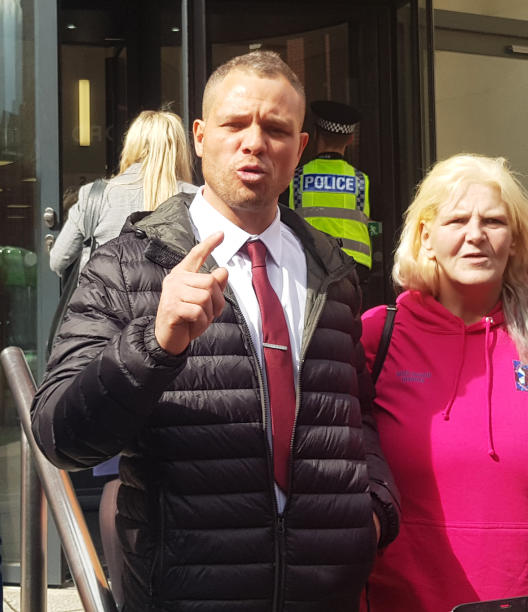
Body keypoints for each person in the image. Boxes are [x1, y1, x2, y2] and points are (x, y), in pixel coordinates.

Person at [31, 50, 399, 611]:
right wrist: (153, 343)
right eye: (234, 124)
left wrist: (372, 511)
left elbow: (357, 414)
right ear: (200, 137)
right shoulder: (127, 264)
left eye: (276, 128)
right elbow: (62, 436)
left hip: (322, 588)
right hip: (187, 590)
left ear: (299, 149)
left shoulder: (333, 272)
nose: (254, 142)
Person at [360, 154, 528, 611]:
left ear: (514, 241)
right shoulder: (376, 338)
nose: (475, 235)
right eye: (457, 219)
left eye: (493, 221)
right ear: (426, 238)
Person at [49, 109, 197, 277]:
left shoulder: (95, 195)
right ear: (179, 151)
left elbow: (58, 260)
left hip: (105, 300)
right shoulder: (194, 198)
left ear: (132, 145)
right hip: (171, 301)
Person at [283, 100, 374, 274]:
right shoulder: (361, 180)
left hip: (313, 263)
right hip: (356, 266)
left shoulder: (296, 178)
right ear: (350, 139)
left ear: (315, 134)